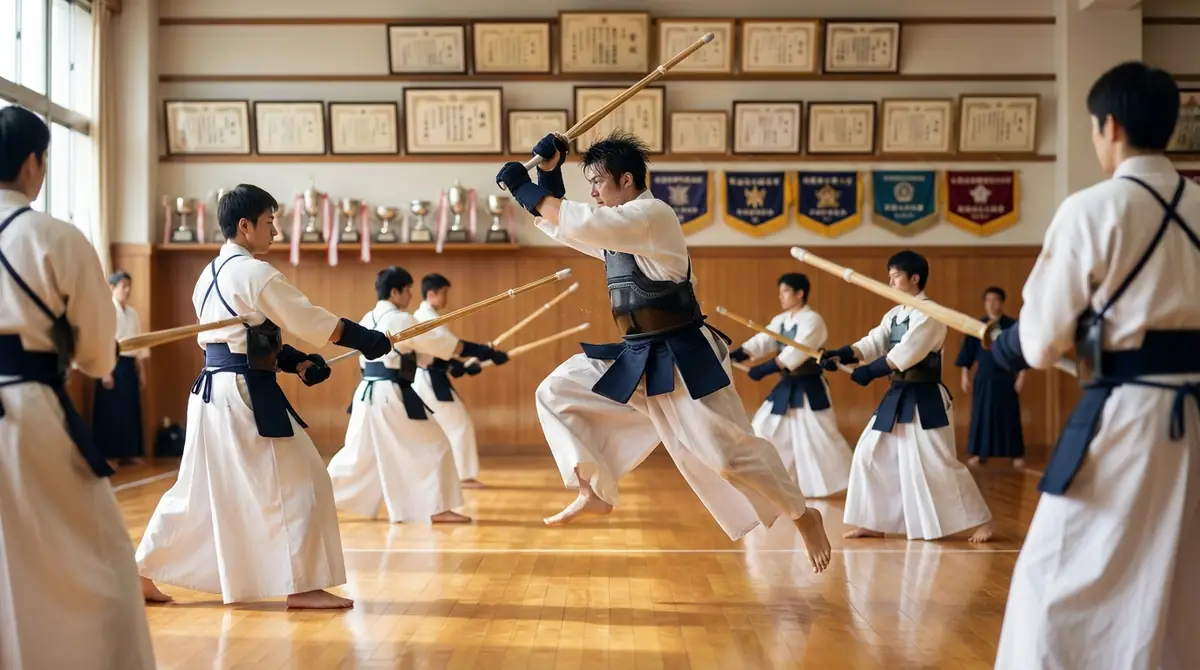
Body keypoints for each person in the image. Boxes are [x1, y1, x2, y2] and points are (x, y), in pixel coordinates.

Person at [495, 130, 832, 574]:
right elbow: (569, 228)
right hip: (639, 353)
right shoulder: (618, 226)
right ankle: (592, 490)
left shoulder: (652, 215)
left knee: (727, 456)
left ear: (627, 179)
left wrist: (524, 186)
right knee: (557, 390)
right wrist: (549, 176)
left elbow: (580, 221)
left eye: (598, 182)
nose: (593, 192)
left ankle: (803, 515)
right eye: (589, 184)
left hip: (684, 354)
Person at [989, 61, 1200, 670]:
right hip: (1193, 410)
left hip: (1132, 417)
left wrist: (1006, 346)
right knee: (1182, 581)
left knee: (1054, 579)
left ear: (1109, 126)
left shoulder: (1093, 208)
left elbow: (1040, 340)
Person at [135, 184, 393, 610]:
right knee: (304, 478)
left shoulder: (208, 275)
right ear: (245, 225)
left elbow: (246, 336)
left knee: (197, 488)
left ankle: (141, 571)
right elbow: (308, 320)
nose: (274, 231)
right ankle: (303, 585)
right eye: (269, 222)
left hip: (212, 391)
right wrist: (368, 339)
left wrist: (295, 362)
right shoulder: (253, 273)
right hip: (242, 395)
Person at [0, 105, 155, 668]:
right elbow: (96, 354)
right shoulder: (54, 237)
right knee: (98, 556)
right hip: (29, 410)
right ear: (33, 163)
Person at [819, 250, 994, 543]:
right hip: (899, 394)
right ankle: (873, 521)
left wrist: (869, 372)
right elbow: (872, 343)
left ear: (915, 278)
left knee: (937, 462)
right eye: (889, 276)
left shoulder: (931, 314)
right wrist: (842, 354)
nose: (890, 282)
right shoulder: (895, 314)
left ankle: (983, 520)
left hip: (925, 398)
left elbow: (905, 353)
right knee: (868, 454)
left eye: (896, 276)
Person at [328, 266, 483, 524]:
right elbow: (439, 345)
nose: (411, 295)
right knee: (435, 445)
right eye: (408, 289)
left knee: (358, 454)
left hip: (367, 393)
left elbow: (420, 355)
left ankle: (320, 500)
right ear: (395, 292)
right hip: (391, 393)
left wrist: (457, 365)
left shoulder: (367, 318)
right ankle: (436, 509)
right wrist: (478, 351)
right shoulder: (401, 319)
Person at [730, 273, 853, 497]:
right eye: (780, 293)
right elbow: (764, 340)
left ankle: (845, 480)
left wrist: (766, 368)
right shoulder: (782, 320)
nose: (781, 297)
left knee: (818, 436)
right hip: (787, 386)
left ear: (800, 293)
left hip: (809, 387)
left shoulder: (813, 320)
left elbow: (797, 351)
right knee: (764, 426)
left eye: (785, 292)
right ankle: (779, 482)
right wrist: (740, 354)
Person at [411, 273, 508, 488]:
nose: (446, 298)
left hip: (429, 376)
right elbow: (452, 347)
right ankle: (464, 476)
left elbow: (442, 352)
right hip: (430, 379)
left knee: (445, 427)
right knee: (459, 425)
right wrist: (485, 352)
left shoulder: (427, 316)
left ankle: (450, 475)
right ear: (431, 293)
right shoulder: (425, 318)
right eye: (444, 293)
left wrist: (462, 366)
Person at [954, 286, 1025, 469]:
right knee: (981, 415)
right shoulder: (976, 325)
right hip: (984, 378)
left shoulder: (1012, 326)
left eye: (996, 300)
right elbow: (967, 354)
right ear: (985, 303)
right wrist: (965, 377)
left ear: (1002, 303)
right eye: (988, 300)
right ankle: (980, 454)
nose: (992, 304)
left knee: (1009, 416)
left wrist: (1021, 377)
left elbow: (1022, 354)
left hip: (1007, 377)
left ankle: (1015, 454)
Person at [93, 269, 149, 468]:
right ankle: (110, 454)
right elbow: (102, 341)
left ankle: (129, 452)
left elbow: (139, 344)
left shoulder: (132, 313)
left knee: (129, 409)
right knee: (112, 410)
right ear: (112, 288)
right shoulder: (106, 310)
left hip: (128, 363)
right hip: (111, 363)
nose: (127, 290)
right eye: (123, 286)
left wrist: (141, 371)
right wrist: (105, 371)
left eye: (129, 286)